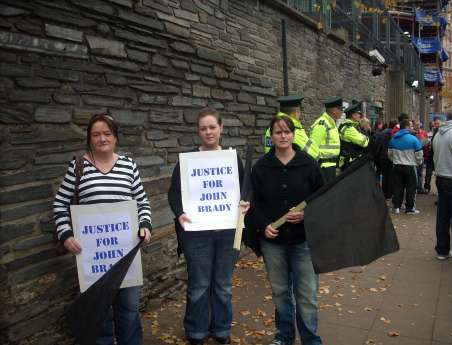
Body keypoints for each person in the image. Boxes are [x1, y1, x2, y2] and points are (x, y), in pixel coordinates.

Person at [53, 114, 152, 345]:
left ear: (115, 137)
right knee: (101, 312)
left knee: (128, 309)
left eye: (107, 133)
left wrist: (145, 225)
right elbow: (60, 204)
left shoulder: (129, 165)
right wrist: (66, 234)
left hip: (127, 254)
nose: (102, 138)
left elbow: (143, 203)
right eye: (96, 134)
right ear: (89, 139)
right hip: (93, 256)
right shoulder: (78, 167)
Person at [168, 107, 249, 345]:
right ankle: (196, 330)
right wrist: (180, 212)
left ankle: (221, 329)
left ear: (221, 128)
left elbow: (245, 189)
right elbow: (174, 193)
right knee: (199, 284)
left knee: (222, 284)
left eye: (212, 127)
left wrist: (245, 204)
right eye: (203, 128)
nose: (208, 132)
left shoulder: (232, 158)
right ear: (198, 131)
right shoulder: (188, 161)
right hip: (196, 234)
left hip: (227, 232)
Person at [248, 116, 324, 345]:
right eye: (278, 132)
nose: (283, 136)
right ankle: (284, 336)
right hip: (274, 244)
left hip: (303, 242)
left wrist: (305, 215)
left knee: (307, 296)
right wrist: (263, 226)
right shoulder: (261, 168)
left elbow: (321, 199)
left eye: (287, 132)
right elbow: (253, 204)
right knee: (280, 293)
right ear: (272, 136)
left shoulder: (309, 164)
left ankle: (310, 339)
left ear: (293, 134)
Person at [432, 106, 452, 263]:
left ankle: (442, 250)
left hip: (441, 178)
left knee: (443, 216)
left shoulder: (438, 135)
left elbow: (435, 157)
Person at [263, 94, 319, 159]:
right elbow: (314, 154)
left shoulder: (272, 128)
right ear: (296, 112)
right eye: (299, 112)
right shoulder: (294, 131)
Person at [388, 119, 423, 215]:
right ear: (407, 127)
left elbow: (390, 154)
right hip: (410, 166)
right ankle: (410, 208)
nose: (412, 127)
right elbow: (419, 155)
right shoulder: (413, 139)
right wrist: (418, 163)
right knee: (411, 187)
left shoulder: (393, 139)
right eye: (411, 126)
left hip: (397, 166)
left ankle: (396, 207)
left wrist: (395, 161)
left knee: (397, 187)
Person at [309, 96, 342, 182]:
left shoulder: (331, 123)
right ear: (334, 110)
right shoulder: (322, 124)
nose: (342, 112)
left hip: (330, 165)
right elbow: (313, 146)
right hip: (324, 166)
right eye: (340, 109)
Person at [338, 102, 370, 171]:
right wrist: (366, 138)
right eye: (359, 114)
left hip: (351, 160)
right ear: (353, 115)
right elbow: (364, 143)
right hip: (348, 162)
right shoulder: (348, 128)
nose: (360, 116)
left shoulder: (352, 126)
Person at [425, 116, 442, 192]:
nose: (436, 125)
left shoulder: (442, 132)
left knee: (438, 174)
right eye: (435, 123)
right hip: (431, 155)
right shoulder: (431, 132)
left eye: (438, 123)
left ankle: (438, 190)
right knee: (428, 173)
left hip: (438, 156)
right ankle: (427, 187)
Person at [413, 120, 429, 194]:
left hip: (422, 154)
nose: (418, 126)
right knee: (415, 172)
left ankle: (419, 187)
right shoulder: (411, 133)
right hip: (413, 155)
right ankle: (416, 187)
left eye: (419, 124)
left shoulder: (423, 132)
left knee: (420, 172)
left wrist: (425, 143)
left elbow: (427, 142)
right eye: (416, 124)